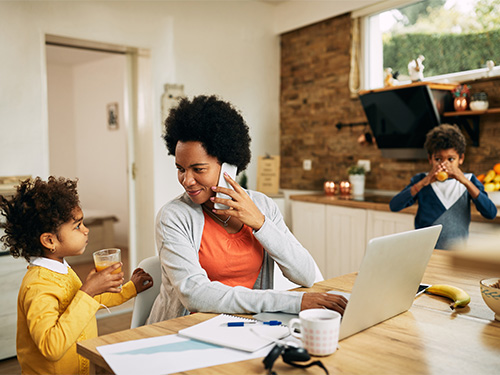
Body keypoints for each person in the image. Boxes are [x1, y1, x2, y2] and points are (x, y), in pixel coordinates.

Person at [148, 95, 347, 323]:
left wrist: (261, 224)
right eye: (180, 168)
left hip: (246, 328)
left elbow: (305, 274)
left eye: (198, 169)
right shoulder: (173, 217)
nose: (187, 180)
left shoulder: (262, 206)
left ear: (229, 166)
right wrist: (293, 302)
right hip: (182, 332)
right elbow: (195, 294)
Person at [0, 176, 153, 375]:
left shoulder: (61, 269)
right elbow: (51, 347)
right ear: (49, 240)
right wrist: (88, 291)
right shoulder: (38, 286)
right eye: (78, 226)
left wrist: (131, 288)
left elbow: (92, 301)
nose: (86, 230)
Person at [390, 124, 497, 249]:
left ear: (461, 158)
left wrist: (464, 181)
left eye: (451, 159)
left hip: (456, 254)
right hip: (424, 251)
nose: (444, 165)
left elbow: (491, 213)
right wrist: (424, 182)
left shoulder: (469, 180)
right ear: (430, 159)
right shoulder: (421, 180)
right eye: (438, 159)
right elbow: (394, 206)